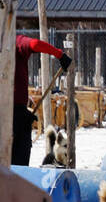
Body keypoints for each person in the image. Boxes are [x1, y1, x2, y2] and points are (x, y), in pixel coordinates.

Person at [13, 35, 71, 166]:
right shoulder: (14, 42)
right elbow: (34, 44)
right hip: (15, 114)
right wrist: (60, 55)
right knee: (18, 167)